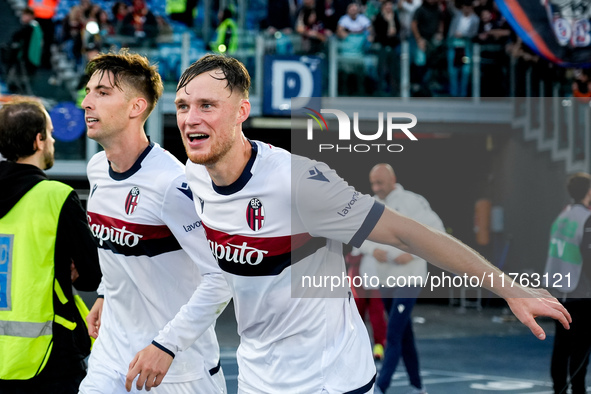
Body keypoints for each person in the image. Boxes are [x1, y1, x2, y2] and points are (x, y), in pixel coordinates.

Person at [127, 54, 572, 393]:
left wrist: (506, 286)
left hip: (329, 379)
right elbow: (219, 279)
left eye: (208, 105)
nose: (190, 118)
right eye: (184, 105)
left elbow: (407, 233)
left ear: (242, 112)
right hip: (259, 375)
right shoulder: (193, 177)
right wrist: (158, 331)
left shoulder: (297, 182)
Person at [77, 49, 231, 394]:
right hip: (111, 358)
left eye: (102, 93)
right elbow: (116, 246)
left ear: (136, 107)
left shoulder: (173, 185)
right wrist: (105, 292)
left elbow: (221, 278)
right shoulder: (97, 169)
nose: (87, 102)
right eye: (88, 92)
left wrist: (167, 346)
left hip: (176, 371)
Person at [0, 98, 102, 393]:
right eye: (51, 132)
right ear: (38, 140)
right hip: (49, 357)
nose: (54, 139)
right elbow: (92, 275)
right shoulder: (56, 197)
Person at [358, 164, 445, 394]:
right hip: (384, 279)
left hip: (410, 278)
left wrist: (413, 253)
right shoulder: (370, 204)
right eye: (373, 183)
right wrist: (370, 250)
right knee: (404, 333)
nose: (376, 187)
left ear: (392, 179)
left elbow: (437, 231)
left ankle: (380, 387)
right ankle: (418, 386)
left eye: (380, 182)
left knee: (393, 332)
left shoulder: (413, 202)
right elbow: (356, 232)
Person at [544, 172, 591, 394]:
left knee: (561, 346)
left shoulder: (562, 216)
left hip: (557, 288)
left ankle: (559, 390)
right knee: (580, 347)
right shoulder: (586, 218)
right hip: (579, 289)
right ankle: (578, 390)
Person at [2, 7, 43, 94]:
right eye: (24, 15)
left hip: (26, 60)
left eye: (27, 15)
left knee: (22, 81)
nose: (25, 17)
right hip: (24, 59)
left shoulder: (31, 28)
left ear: (32, 16)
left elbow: (18, 37)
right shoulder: (33, 28)